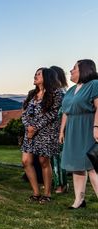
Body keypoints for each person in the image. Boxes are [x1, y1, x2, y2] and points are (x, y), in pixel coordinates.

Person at [59, 60, 98, 209]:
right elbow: (66, 112)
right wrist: (62, 131)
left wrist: (96, 127)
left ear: (84, 69)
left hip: (88, 127)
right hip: (73, 130)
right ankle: (79, 200)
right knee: (77, 166)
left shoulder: (94, 84)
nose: (70, 70)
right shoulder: (71, 90)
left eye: (74, 68)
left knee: (92, 166)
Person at [21, 68, 63, 203]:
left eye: (38, 74)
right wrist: (28, 127)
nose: (35, 76)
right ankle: (36, 193)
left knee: (44, 161)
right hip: (30, 133)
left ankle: (47, 194)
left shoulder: (56, 93)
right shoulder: (31, 94)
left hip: (47, 132)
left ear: (47, 77)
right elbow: (24, 113)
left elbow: (53, 114)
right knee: (26, 161)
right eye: (35, 74)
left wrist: (36, 128)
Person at [50, 65, 69, 194]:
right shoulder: (59, 92)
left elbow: (61, 113)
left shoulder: (61, 93)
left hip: (58, 129)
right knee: (54, 158)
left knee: (58, 158)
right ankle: (58, 183)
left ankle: (61, 185)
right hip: (54, 129)